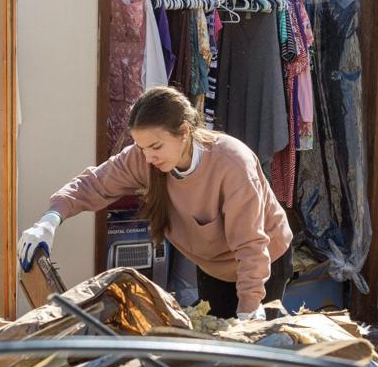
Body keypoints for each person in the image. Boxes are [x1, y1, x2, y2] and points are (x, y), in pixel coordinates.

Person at [17, 86, 293, 319]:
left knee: (256, 352)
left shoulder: (232, 163)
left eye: (156, 147)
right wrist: (49, 220)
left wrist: (250, 308)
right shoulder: (143, 159)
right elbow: (93, 184)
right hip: (213, 266)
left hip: (262, 262)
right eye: (142, 148)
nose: (148, 157)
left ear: (184, 131)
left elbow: (251, 245)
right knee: (218, 348)